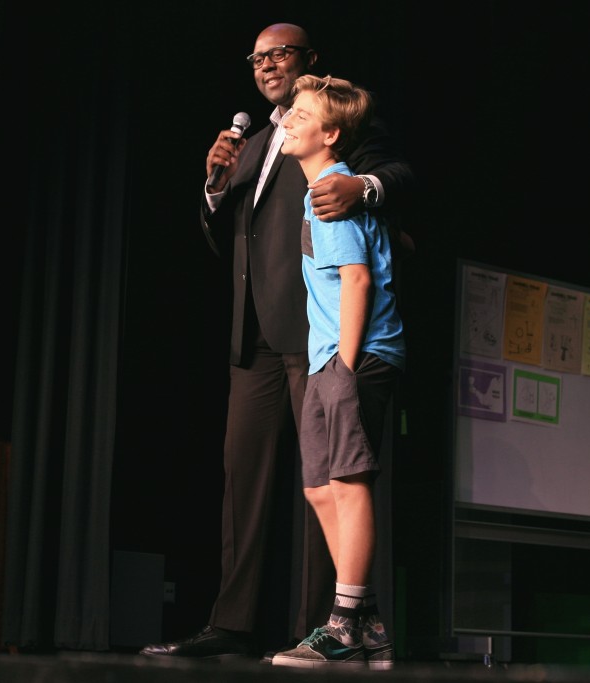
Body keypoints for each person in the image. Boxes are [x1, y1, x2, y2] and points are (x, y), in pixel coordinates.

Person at [139, 22, 413, 661]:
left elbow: (397, 177)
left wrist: (364, 188)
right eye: (257, 57)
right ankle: (231, 624)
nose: (266, 65)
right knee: (251, 480)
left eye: (279, 53)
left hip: (320, 331)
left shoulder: (333, 126)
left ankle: (330, 620)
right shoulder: (261, 141)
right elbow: (232, 239)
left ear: (308, 59)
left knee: (335, 476)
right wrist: (213, 185)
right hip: (254, 332)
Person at [269, 73, 405, 669]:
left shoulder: (331, 188)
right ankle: (368, 622)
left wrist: (344, 367)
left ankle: (344, 622)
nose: (287, 119)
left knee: (348, 483)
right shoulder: (314, 187)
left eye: (301, 114)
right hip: (329, 355)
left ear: (331, 134)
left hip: (358, 355)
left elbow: (357, 279)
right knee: (318, 488)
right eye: (288, 111)